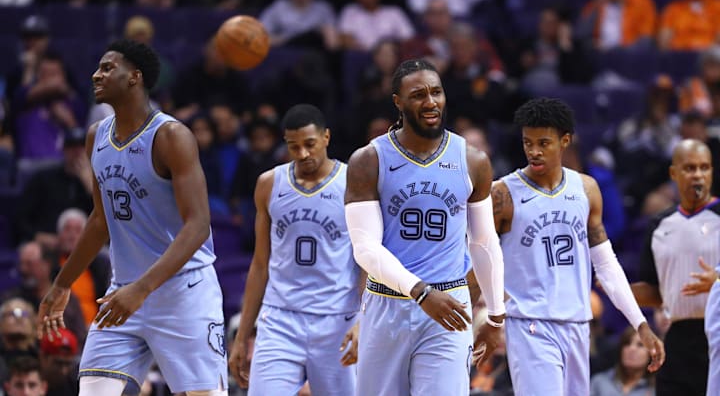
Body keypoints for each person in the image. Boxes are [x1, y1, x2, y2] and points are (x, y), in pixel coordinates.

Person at [35, 39, 227, 396]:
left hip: (183, 292)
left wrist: (143, 288)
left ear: (135, 77)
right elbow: (99, 220)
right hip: (123, 293)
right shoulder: (97, 137)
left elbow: (199, 225)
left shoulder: (171, 136)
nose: (96, 74)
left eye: (108, 68)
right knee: (92, 390)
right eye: (98, 67)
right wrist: (62, 284)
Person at [344, 58, 506, 395]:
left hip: (449, 305)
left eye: (436, 92)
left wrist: (494, 314)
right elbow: (365, 248)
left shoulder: (472, 160)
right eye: (418, 95)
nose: (431, 102)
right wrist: (419, 292)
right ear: (398, 103)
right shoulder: (368, 160)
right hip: (387, 304)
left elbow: (484, 242)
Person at [489, 97, 665, 395]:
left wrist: (640, 323)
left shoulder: (586, 189)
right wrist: (488, 316)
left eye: (543, 142)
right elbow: (481, 258)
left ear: (565, 141)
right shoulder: (502, 193)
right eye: (527, 142)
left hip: (578, 324)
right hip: (530, 325)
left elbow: (606, 264)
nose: (534, 151)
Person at [228, 104, 362, 395]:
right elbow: (260, 264)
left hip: (337, 319)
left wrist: (364, 320)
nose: (302, 154)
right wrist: (241, 338)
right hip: (280, 319)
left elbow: (366, 260)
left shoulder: (353, 183)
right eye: (293, 146)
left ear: (326, 137)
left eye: (309, 144)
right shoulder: (269, 184)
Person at [630, 139, 717, 396]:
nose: (698, 175)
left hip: (717, 330)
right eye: (690, 168)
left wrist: (718, 282)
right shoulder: (659, 225)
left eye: (704, 167)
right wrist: (621, 291)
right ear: (673, 173)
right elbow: (658, 292)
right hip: (678, 335)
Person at [590, 327, 656, 396]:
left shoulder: (657, 389)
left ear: (652, 353)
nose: (631, 349)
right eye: (627, 343)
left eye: (640, 345)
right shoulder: (599, 382)